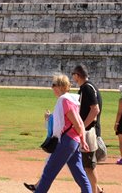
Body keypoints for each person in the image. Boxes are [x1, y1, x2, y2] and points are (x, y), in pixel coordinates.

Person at [23, 74, 92, 193]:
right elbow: (78, 122)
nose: (52, 88)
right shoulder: (71, 100)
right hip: (72, 140)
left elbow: (78, 123)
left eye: (53, 85)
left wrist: (83, 141)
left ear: (60, 86)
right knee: (79, 174)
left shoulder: (65, 100)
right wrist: (82, 140)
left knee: (49, 171)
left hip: (67, 141)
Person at [71, 65, 103, 193]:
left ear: (77, 75)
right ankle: (97, 190)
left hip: (88, 132)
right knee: (84, 165)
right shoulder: (90, 87)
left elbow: (95, 109)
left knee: (89, 166)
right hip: (89, 131)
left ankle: (94, 191)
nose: (73, 77)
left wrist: (82, 127)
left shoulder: (86, 88)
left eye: (73, 74)